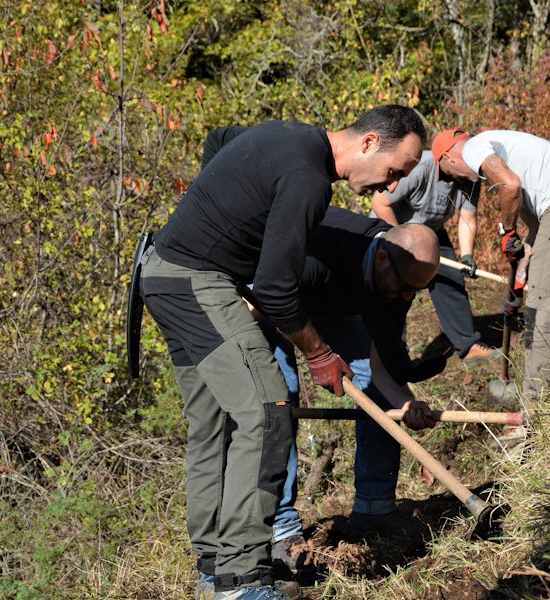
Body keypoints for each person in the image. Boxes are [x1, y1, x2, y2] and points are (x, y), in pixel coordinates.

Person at [139, 105, 426, 600]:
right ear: (369, 143)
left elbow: (220, 133)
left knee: (215, 422)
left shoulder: (289, 135)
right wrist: (318, 354)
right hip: (197, 281)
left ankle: (214, 565)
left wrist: (216, 216)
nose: (388, 189)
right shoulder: (308, 176)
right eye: (393, 171)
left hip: (162, 273)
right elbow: (274, 289)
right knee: (267, 412)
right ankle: (242, 579)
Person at [253, 207, 444, 577]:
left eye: (414, 292)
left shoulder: (398, 277)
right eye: (404, 288)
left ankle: (374, 508)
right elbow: (261, 298)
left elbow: (379, 364)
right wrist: (316, 353)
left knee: (380, 394)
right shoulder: (322, 250)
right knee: (279, 398)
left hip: (332, 300)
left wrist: (407, 404)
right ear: (383, 259)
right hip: (268, 295)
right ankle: (281, 528)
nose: (406, 297)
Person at [431, 129, 550, 404]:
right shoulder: (520, 160)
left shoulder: (475, 147)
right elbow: (538, 233)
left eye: (447, 173)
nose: (453, 179)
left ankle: (534, 420)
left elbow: (510, 185)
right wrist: (518, 286)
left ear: (448, 158)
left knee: (542, 320)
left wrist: (507, 230)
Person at [370, 142, 501, 367]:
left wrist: (467, 256)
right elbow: (380, 203)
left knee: (451, 279)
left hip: (431, 232)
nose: (476, 172)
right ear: (449, 158)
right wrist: (401, 240)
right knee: (396, 291)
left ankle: (468, 346)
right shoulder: (421, 167)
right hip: (393, 228)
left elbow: (467, 218)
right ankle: (392, 356)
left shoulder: (471, 180)